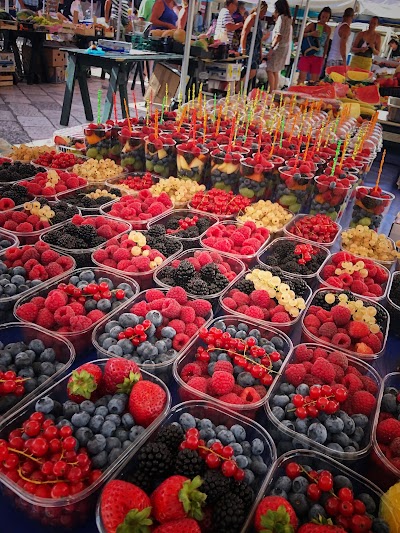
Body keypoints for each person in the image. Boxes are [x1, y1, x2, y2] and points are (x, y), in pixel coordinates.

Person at [297, 7, 331, 84]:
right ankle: (298, 93)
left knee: (314, 81)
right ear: (320, 16)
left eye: (326, 17)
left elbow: (326, 43)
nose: (324, 19)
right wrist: (311, 34)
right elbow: (301, 34)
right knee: (301, 78)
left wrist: (324, 57)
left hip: (319, 55)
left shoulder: (328, 29)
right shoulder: (312, 25)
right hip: (308, 53)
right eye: (323, 16)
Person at [266, 0, 292, 92]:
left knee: (269, 69)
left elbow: (278, 36)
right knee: (276, 71)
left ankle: (272, 90)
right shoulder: (289, 18)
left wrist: (271, 49)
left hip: (278, 47)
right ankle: (275, 90)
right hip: (284, 47)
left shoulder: (281, 18)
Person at [240, 1, 269, 82]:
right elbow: (244, 34)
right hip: (248, 48)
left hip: (255, 50)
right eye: (264, 11)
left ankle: (239, 87)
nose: (264, 14)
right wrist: (243, 49)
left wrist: (260, 52)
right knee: (250, 71)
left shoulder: (258, 21)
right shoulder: (252, 18)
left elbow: (259, 39)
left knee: (251, 71)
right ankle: (239, 87)